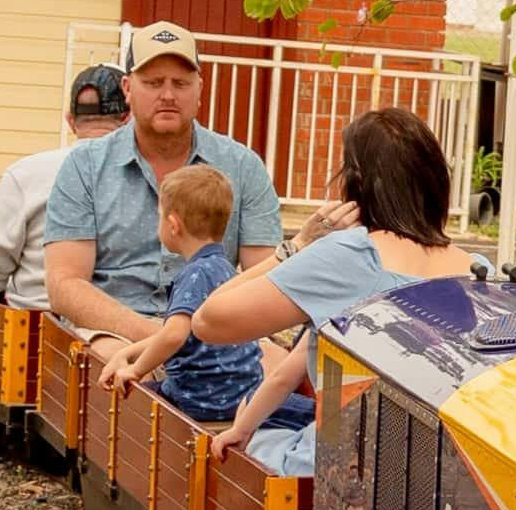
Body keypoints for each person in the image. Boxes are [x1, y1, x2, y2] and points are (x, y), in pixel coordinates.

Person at [190, 101, 473, 461]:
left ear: (355, 188)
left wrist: (296, 247)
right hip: (435, 469)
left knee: (262, 436)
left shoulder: (350, 257)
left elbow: (207, 321)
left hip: (336, 467)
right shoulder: (478, 270)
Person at [39, 24, 284, 354]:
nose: (167, 95)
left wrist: (205, 334)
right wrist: (157, 336)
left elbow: (264, 280)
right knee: (121, 378)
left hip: (216, 333)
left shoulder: (243, 166)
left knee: (276, 369)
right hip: (115, 333)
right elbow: (65, 284)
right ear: (127, 88)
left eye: (180, 83)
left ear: (199, 88)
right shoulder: (86, 165)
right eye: (153, 83)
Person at [84, 161, 266, 424]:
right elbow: (186, 332)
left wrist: (136, 369)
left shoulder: (193, 275)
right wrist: (128, 352)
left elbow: (173, 335)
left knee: (130, 404)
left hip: (199, 399)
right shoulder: (225, 270)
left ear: (173, 225)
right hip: (241, 396)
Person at [0, 60, 128, 304]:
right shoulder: (151, 179)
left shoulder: (25, 174)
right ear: (127, 119)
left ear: (70, 120)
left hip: (32, 326)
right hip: (123, 325)